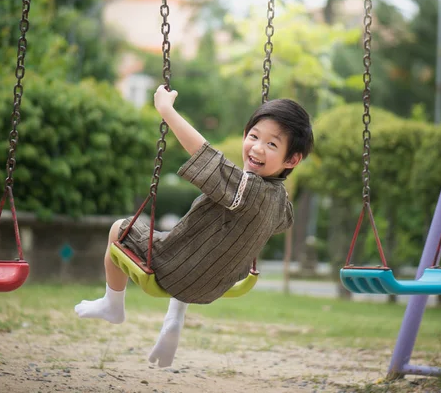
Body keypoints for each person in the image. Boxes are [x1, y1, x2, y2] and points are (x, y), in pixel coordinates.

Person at [75, 84, 314, 367]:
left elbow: (202, 152)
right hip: (216, 285)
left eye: (272, 144)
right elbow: (281, 224)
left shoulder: (245, 187)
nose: (257, 148)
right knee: (206, 236)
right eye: (253, 136)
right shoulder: (282, 203)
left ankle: (112, 305)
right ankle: (174, 318)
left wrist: (166, 110)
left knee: (119, 228)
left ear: (292, 159)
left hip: (173, 270)